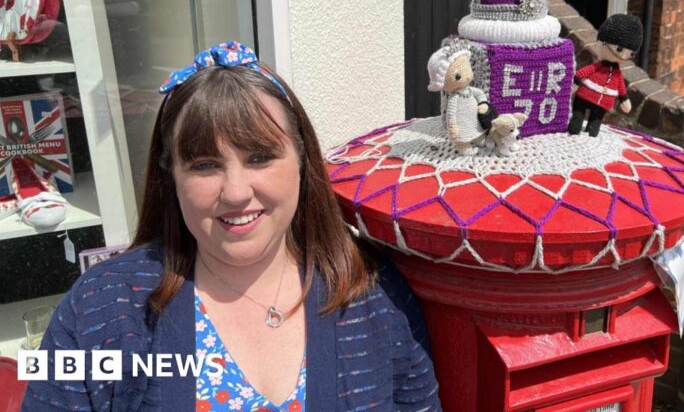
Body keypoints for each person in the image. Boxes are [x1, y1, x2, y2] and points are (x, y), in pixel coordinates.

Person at [22, 41, 441, 411]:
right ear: (172, 179)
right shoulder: (101, 306)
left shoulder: (374, 293)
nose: (236, 191)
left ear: (302, 161)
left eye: (259, 157)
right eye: (205, 165)